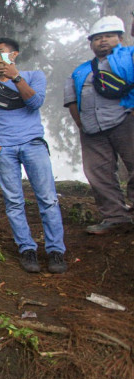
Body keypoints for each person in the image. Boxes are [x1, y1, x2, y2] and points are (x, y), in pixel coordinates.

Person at [0, 38, 67, 274]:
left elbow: (35, 102)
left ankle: (55, 250)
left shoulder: (34, 76)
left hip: (33, 145)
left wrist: (16, 77)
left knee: (47, 198)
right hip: (5, 149)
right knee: (14, 202)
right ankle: (26, 248)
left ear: (14, 55)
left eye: (1, 53)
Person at [64, 15, 134, 234]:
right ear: (91, 43)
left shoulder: (129, 57)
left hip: (126, 119)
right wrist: (80, 123)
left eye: (109, 36)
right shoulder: (80, 70)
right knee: (98, 173)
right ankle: (115, 217)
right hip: (92, 128)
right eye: (97, 38)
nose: (102, 41)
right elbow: (72, 99)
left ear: (120, 38)